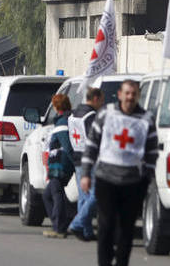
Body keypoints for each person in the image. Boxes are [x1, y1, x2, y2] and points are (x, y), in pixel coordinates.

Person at [81, 80, 158, 266]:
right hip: (106, 178)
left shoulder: (146, 118)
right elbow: (92, 144)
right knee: (106, 226)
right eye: (127, 93)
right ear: (120, 94)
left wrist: (147, 178)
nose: (130, 97)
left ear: (138, 95)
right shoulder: (106, 114)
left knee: (126, 229)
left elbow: (152, 152)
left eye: (134, 93)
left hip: (133, 182)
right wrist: (85, 173)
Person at [67, 87, 105, 241]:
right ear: (95, 98)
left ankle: (86, 231)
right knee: (97, 193)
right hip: (89, 160)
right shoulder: (91, 116)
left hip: (77, 158)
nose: (102, 103)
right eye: (101, 100)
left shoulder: (73, 114)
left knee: (84, 196)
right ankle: (77, 224)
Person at [42, 94, 75, 239]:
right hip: (58, 165)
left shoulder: (62, 123)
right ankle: (66, 221)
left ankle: (59, 228)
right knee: (48, 195)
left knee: (55, 195)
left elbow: (67, 147)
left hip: (60, 166)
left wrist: (76, 163)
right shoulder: (65, 120)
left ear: (56, 107)